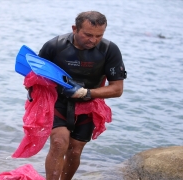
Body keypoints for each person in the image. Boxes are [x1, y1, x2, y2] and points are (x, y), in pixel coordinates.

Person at [37, 11, 126, 179]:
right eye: (88, 35)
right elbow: (36, 76)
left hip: (89, 103)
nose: (93, 40)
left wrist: (86, 92)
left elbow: (117, 89)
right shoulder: (54, 46)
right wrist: (32, 93)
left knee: (75, 149)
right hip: (58, 101)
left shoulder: (109, 50)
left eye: (99, 35)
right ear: (74, 29)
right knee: (58, 143)